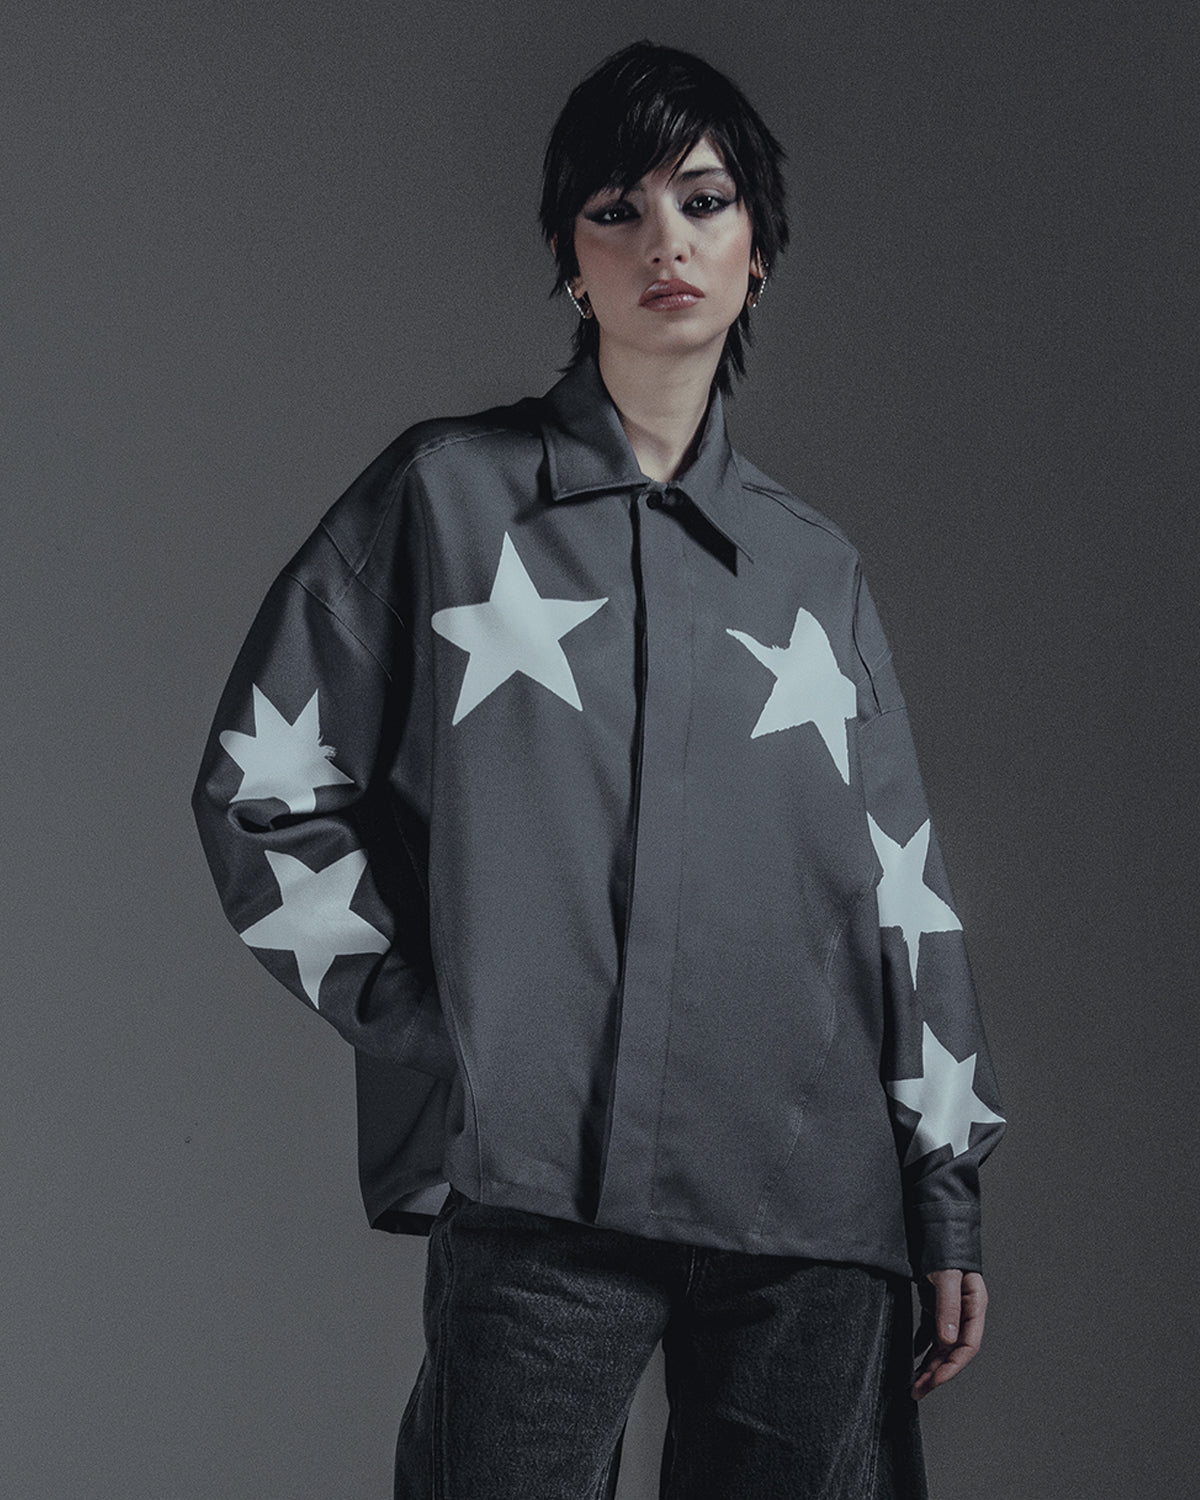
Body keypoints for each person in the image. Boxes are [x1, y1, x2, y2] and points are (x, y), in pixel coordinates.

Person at [193, 40, 1004, 1500]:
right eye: (618, 210)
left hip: (813, 1214)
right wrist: (453, 1033)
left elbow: (905, 890)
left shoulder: (816, 569)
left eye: (705, 201)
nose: (665, 243)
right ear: (573, 262)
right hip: (545, 1199)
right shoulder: (445, 496)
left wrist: (941, 1194)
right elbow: (264, 789)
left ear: (758, 252)